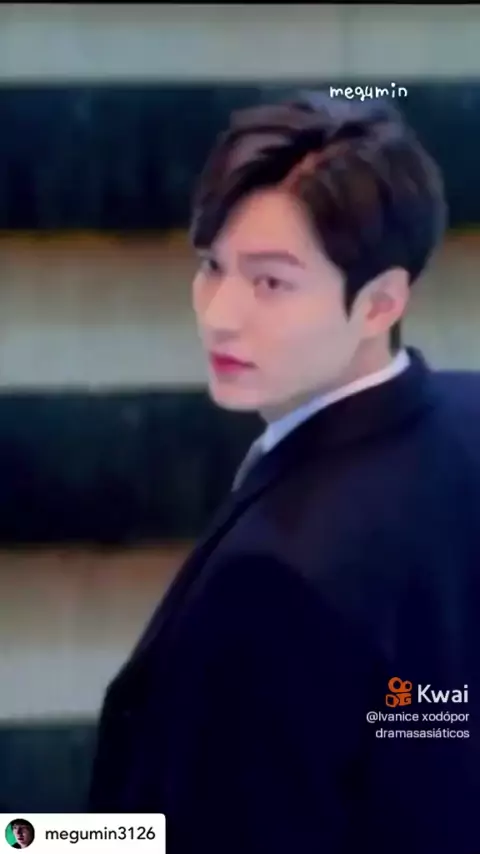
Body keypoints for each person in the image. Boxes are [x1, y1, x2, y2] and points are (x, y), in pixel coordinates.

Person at [88, 91, 480, 853]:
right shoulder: (466, 418)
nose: (219, 314)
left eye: (270, 282)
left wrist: (26, 839)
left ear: (380, 303)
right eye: (212, 267)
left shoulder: (276, 576)